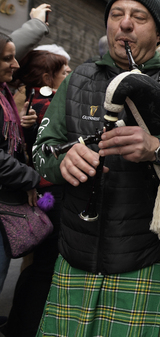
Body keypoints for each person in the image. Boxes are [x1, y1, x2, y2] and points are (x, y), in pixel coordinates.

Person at [33, 0, 160, 336]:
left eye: (138, 18)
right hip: (74, 257)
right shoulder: (78, 79)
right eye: (116, 15)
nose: (124, 24)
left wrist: (159, 147)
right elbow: (42, 151)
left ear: (157, 32)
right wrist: (62, 160)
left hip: (140, 261)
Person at [3, 48, 69, 336]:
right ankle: (28, 325)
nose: (69, 73)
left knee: (35, 262)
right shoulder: (49, 104)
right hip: (45, 192)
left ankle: (19, 321)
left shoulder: (24, 101)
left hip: (34, 191)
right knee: (43, 264)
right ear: (47, 76)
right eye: (64, 70)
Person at [0, 33, 41, 296]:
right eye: (7, 58)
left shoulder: (4, 94)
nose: (16, 64)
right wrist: (32, 177)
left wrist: (26, 128)